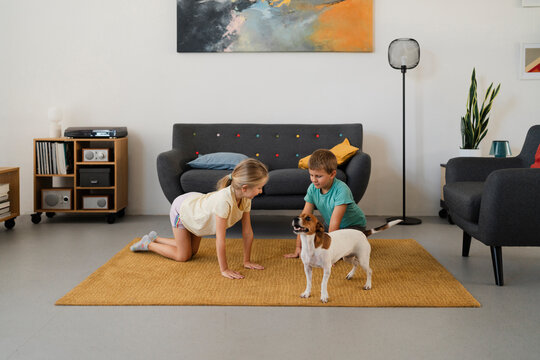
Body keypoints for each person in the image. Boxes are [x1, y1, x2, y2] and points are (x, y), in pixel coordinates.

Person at [131, 158, 269, 279]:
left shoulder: (246, 199)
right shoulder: (224, 201)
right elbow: (220, 239)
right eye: (259, 188)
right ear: (244, 188)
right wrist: (224, 269)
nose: (261, 191)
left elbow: (247, 232)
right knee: (183, 256)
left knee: (193, 252)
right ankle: (147, 244)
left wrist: (247, 261)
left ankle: (155, 238)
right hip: (184, 210)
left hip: (198, 210)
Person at [284, 149, 367, 258]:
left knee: (343, 254)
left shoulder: (342, 190)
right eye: (311, 175)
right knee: (314, 240)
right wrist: (298, 248)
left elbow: (335, 223)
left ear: (332, 174)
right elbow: (303, 218)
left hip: (353, 227)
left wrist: (330, 254)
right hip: (330, 225)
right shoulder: (312, 188)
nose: (314, 180)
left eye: (318, 176)